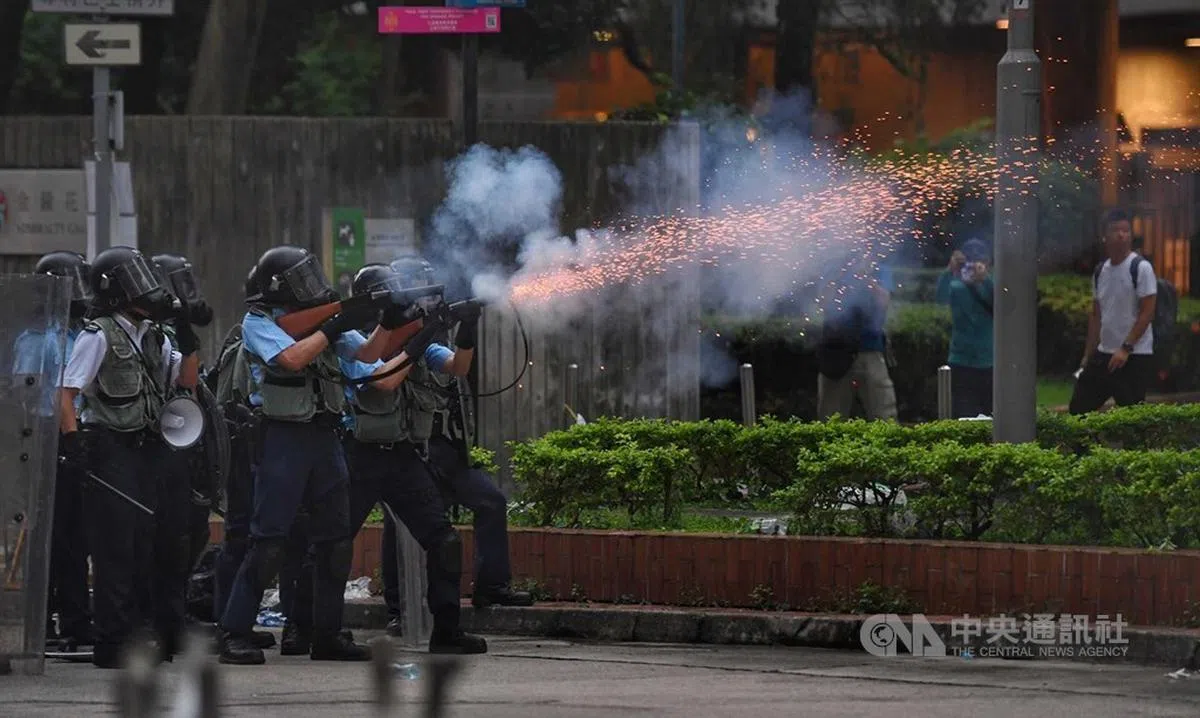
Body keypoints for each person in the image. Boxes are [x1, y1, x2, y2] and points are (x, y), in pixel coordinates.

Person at [216, 245, 423, 665]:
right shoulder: (258, 323)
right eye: (302, 279)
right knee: (269, 540)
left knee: (335, 542)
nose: (313, 286)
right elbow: (290, 359)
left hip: (325, 437)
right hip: (282, 439)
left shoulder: (324, 322)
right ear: (280, 287)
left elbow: (368, 358)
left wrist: (389, 321)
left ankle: (327, 633)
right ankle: (234, 631)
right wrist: (333, 326)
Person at [59, 246, 202, 669]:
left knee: (147, 544)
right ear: (117, 291)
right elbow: (67, 392)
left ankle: (142, 632)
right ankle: (111, 641)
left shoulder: (155, 336)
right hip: (111, 447)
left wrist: (188, 336)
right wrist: (73, 441)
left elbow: (187, 383)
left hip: (149, 450)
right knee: (115, 548)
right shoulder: (98, 334)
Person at [338, 263, 489, 653]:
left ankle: (447, 632)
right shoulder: (352, 341)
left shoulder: (413, 338)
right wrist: (419, 337)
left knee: (444, 541)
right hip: (359, 456)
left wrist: (466, 326)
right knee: (333, 544)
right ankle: (314, 629)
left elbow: (458, 366)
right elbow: (384, 381)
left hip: (402, 457)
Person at [386, 256, 532, 619]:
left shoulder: (433, 338)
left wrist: (466, 328)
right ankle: (397, 607)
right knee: (400, 523)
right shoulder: (384, 337)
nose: (432, 297)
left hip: (445, 450)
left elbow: (458, 366)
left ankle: (492, 587)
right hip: (407, 449)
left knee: (491, 502)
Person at [14, 251, 94, 650]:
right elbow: (25, 395)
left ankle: (78, 618)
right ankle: (42, 621)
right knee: (48, 535)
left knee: (76, 535)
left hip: (79, 434)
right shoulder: (36, 340)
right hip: (47, 438)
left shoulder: (84, 335)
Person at [208, 265, 276, 651]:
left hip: (261, 448)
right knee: (240, 534)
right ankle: (225, 621)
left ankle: (238, 621)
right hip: (244, 446)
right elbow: (228, 403)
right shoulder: (250, 336)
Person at [1069, 209, 1158, 414]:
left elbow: (1147, 312)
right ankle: (1089, 447)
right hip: (1104, 353)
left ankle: (1133, 447)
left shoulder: (1141, 268)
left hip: (1134, 356)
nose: (1121, 235)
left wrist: (1126, 348)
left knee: (1131, 418)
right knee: (1079, 409)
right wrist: (1088, 354)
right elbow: (1097, 314)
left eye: (1126, 230)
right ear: (1104, 236)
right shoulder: (1101, 271)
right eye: (1116, 230)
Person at [815, 257, 897, 421]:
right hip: (836, 353)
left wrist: (866, 278)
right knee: (831, 419)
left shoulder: (879, 268)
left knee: (885, 417)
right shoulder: (832, 265)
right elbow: (823, 302)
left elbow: (883, 301)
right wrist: (840, 276)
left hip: (871, 350)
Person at [935, 239, 994, 418]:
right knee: (963, 413)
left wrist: (985, 280)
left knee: (992, 414)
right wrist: (949, 271)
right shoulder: (956, 285)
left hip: (988, 360)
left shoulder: (991, 282)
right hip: (961, 359)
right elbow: (940, 298)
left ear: (987, 263)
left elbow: (1003, 304)